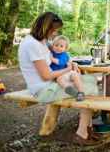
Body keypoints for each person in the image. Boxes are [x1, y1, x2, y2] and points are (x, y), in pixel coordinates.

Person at [18, 11, 100, 146]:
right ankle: (81, 133)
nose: (56, 33)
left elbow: (61, 55)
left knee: (91, 79)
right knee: (92, 88)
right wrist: (68, 69)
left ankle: (88, 126)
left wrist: (72, 63)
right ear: (47, 27)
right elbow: (45, 75)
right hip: (44, 89)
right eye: (55, 30)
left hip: (52, 82)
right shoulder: (33, 44)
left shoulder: (43, 41)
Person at [50, 35, 84, 101]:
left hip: (68, 72)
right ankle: (68, 88)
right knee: (59, 79)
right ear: (52, 45)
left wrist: (51, 58)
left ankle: (80, 91)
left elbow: (61, 62)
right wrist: (51, 57)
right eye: (56, 45)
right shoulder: (52, 53)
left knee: (76, 76)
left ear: (65, 48)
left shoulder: (65, 55)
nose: (58, 47)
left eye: (61, 46)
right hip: (59, 74)